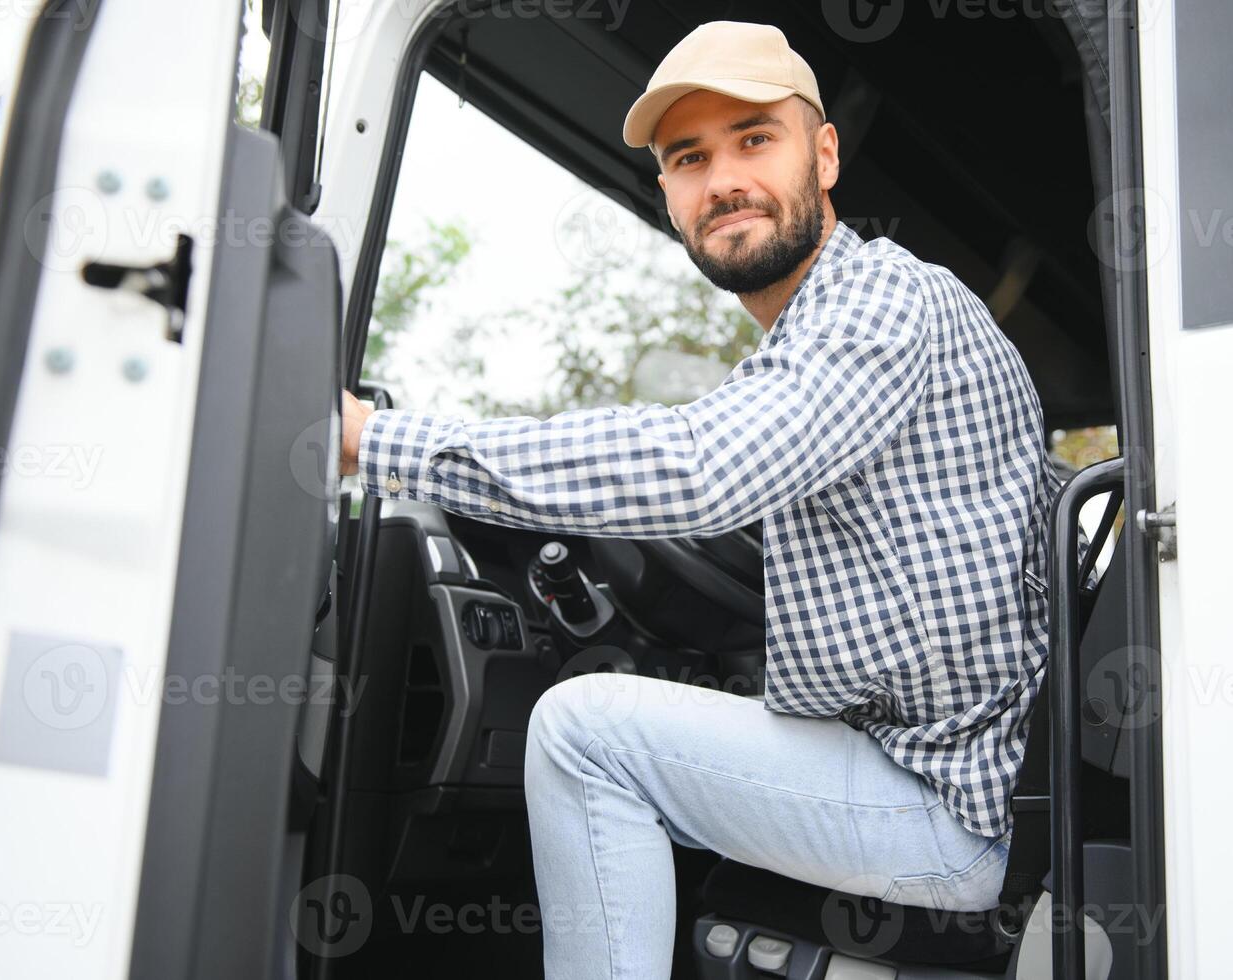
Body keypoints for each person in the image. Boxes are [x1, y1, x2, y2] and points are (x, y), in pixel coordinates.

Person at [339, 20, 1060, 979]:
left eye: (754, 139)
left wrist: (374, 438)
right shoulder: (801, 345)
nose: (722, 180)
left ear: (825, 153)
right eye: (689, 158)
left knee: (580, 732)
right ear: (670, 195)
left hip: (947, 805)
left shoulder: (883, 303)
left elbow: (699, 466)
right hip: (927, 768)